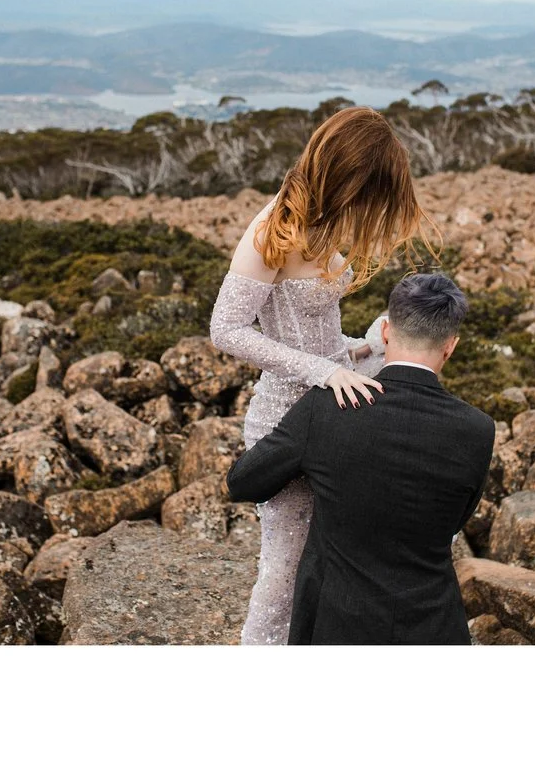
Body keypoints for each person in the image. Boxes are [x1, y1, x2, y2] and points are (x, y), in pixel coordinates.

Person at [209, 106, 426, 645]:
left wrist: (361, 348)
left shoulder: (325, 220)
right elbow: (226, 329)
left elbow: (317, 334)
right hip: (287, 422)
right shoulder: (271, 230)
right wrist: (321, 369)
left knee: (331, 560)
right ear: (346, 174)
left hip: (334, 398)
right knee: (282, 575)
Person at [226, 272, 494, 644]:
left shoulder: (327, 406)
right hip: (434, 629)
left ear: (385, 332)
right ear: (451, 346)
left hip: (333, 625)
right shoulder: (479, 430)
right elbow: (455, 520)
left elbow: (243, 482)